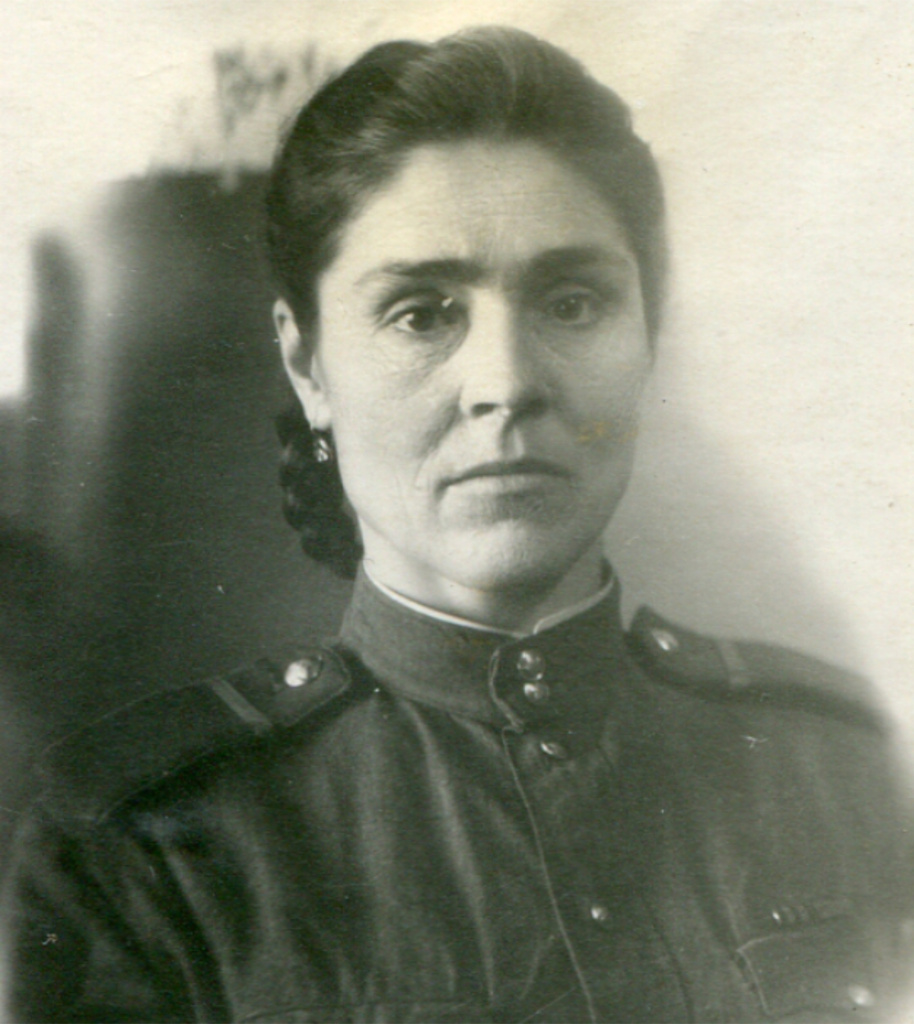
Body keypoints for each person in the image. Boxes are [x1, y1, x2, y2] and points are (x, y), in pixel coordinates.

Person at [1, 26, 910, 1024]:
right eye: (421, 313)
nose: (506, 383)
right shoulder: (143, 850)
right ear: (307, 366)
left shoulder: (852, 765)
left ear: (648, 334)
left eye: (573, 302)